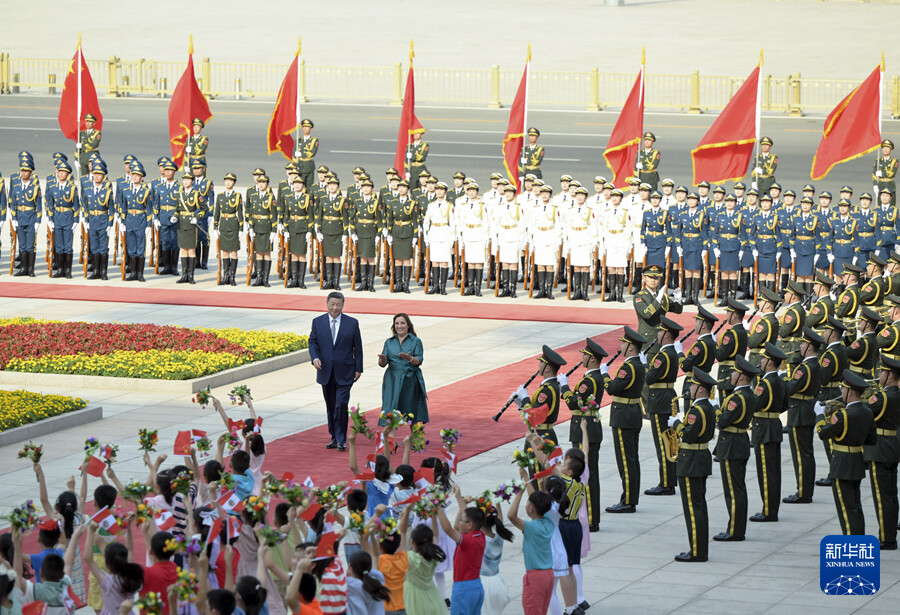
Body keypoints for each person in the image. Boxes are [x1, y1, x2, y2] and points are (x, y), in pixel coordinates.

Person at [816, 369, 878, 535]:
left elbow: (823, 433)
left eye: (843, 389)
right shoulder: (867, 411)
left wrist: (819, 416)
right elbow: (872, 440)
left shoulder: (843, 415)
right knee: (855, 508)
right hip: (857, 462)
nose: (841, 392)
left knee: (846, 510)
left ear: (850, 392)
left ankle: (852, 547)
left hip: (842, 465)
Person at [559, 337, 607, 532]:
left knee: (586, 475)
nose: (583, 359)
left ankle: (591, 518)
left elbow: (573, 404)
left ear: (593, 359)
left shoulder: (590, 381)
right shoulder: (593, 378)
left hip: (584, 428)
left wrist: (564, 387)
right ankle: (590, 517)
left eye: (586, 356)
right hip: (588, 427)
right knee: (588, 474)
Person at [670, 368, 717, 562]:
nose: (690, 387)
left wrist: (675, 424)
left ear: (700, 389)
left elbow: (688, 433)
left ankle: (697, 551)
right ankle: (700, 548)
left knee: (693, 507)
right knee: (699, 505)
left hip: (691, 460)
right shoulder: (708, 407)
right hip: (700, 457)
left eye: (693, 385)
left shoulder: (697, 410)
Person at [308, 292, 364, 450]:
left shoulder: (351, 323)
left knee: (341, 404)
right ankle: (334, 436)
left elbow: (357, 347)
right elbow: (312, 342)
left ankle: (341, 439)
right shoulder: (318, 322)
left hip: (345, 371)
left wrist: (358, 368)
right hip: (325, 371)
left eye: (338, 305)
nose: (335, 307)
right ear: (326, 303)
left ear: (343, 305)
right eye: (332, 304)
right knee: (331, 405)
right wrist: (315, 358)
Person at [713, 355, 760, 542]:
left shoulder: (737, 398)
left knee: (733, 490)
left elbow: (723, 421)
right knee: (737, 489)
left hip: (732, 444)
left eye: (734, 372)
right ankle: (736, 528)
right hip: (737, 442)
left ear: (741, 377)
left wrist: (715, 408)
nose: (731, 374)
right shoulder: (747, 394)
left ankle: (735, 530)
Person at [602, 327, 648, 513]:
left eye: (623, 342)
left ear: (630, 347)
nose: (620, 345)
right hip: (632, 413)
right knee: (632, 459)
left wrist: (604, 374)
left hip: (624, 416)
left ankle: (628, 500)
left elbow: (612, 388)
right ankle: (631, 497)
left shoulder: (629, 367)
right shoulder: (638, 364)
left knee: (626, 461)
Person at [783, 327, 824, 504]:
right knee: (807, 454)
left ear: (808, 347)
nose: (800, 346)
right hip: (807, 410)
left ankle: (803, 493)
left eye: (802, 343)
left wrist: (783, 377)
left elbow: (791, 388)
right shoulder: (815, 364)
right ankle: (806, 490)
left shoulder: (805, 367)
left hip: (799, 412)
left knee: (801, 455)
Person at [863, 356, 900, 550]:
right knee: (891, 494)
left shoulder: (883, 397)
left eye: (882, 372)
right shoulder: (896, 394)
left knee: (882, 496)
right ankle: (890, 531)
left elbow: (865, 412)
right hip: (892, 445)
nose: (879, 374)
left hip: (880, 448)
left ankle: (887, 538)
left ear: (890, 375)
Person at [750, 343, 787, 523]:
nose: (762, 360)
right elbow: (785, 404)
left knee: (765, 472)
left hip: (764, 428)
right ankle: (772, 509)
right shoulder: (779, 380)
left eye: (765, 359)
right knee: (773, 472)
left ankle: (769, 511)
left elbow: (756, 405)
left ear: (770, 362)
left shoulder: (765, 383)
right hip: (773, 425)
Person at [507, 488, 554, 615]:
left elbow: (511, 516)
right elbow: (542, 501)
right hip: (549, 574)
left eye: (527, 503)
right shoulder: (549, 523)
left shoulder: (531, 528)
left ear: (531, 508)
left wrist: (519, 494)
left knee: (532, 611)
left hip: (535, 577)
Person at [377, 313, 428, 424]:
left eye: (402, 323)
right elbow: (382, 364)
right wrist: (382, 359)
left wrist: (410, 358)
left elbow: (419, 360)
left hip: (410, 379)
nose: (399, 326)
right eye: (397, 323)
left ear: (408, 325)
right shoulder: (389, 342)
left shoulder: (416, 341)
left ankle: (415, 440)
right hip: (392, 379)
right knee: (390, 411)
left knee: (412, 412)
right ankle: (389, 441)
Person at [119, 161, 153, 282]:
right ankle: (133, 273)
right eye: (133, 175)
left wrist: (149, 225)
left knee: (140, 248)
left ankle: (140, 273)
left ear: (141, 177)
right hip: (129, 221)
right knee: (131, 248)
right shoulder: (126, 190)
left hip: (140, 221)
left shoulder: (146, 191)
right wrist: (122, 222)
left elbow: (149, 210)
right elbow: (124, 207)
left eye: (137, 175)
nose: (134, 177)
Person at [45, 160, 79, 279]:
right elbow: (49, 203)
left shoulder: (72, 188)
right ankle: (60, 269)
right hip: (57, 217)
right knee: (59, 245)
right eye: (59, 171)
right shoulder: (52, 187)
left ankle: (68, 270)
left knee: (67, 246)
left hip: (68, 217)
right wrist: (49, 218)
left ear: (68, 174)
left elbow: (76, 205)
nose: (60, 174)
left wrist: (76, 220)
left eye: (63, 172)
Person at [9, 157, 42, 277]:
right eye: (22, 170)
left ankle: (30, 269)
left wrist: (38, 221)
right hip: (20, 218)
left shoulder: (35, 187)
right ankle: (23, 268)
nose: (23, 173)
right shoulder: (16, 186)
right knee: (22, 244)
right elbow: (13, 204)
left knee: (30, 245)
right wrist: (13, 218)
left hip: (31, 219)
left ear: (31, 172)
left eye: (26, 171)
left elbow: (38, 206)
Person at [212, 172, 244, 287]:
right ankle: (226, 276)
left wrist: (241, 229)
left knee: (233, 251)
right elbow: (216, 213)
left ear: (234, 183)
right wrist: (215, 227)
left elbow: (240, 213)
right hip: (223, 225)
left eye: (230, 180)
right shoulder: (220, 196)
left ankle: (232, 276)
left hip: (233, 224)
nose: (228, 182)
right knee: (225, 251)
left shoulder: (237, 196)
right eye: (226, 180)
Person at [174, 170, 205, 284]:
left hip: (191, 224)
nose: (186, 181)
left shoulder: (196, 194)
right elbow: (177, 209)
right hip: (181, 224)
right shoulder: (179, 194)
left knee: (191, 250)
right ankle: (184, 275)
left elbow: (204, 208)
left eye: (188, 180)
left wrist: (197, 217)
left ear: (192, 181)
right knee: (183, 250)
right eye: (184, 179)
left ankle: (191, 275)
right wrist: (175, 216)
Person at [247, 173, 277, 287]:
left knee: (266, 254)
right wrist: (250, 227)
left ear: (267, 184)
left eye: (263, 182)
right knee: (258, 253)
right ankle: (259, 278)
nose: (261, 184)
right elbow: (250, 213)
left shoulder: (270, 197)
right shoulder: (254, 196)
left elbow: (274, 215)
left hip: (266, 228)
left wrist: (273, 231)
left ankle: (265, 278)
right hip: (256, 228)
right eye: (259, 182)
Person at [293, 119, 318, 190]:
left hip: (308, 165)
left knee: (309, 186)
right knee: (299, 185)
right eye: (304, 127)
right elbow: (294, 153)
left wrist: (301, 154)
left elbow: (312, 153)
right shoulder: (298, 140)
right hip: (299, 165)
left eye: (307, 127)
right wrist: (295, 164)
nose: (305, 129)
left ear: (311, 129)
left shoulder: (314, 140)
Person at [873, 138, 898, 206]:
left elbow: (892, 173)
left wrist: (881, 173)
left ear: (891, 150)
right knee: (880, 204)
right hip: (880, 184)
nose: (885, 149)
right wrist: (875, 184)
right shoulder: (878, 160)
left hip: (890, 184)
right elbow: (874, 173)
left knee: (891, 205)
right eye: (884, 148)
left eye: (887, 148)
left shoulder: (894, 161)